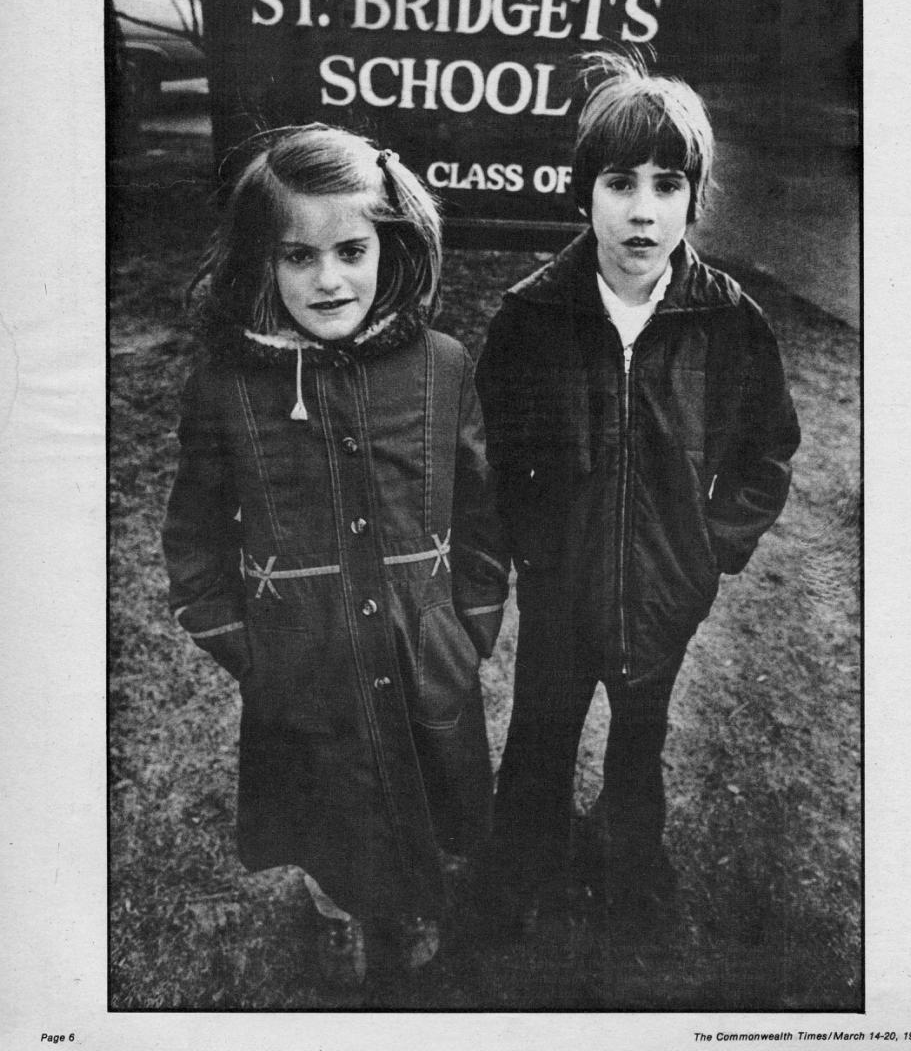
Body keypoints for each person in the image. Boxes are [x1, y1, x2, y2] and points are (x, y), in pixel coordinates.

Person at [161, 124, 508, 989]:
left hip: (418, 645)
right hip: (302, 660)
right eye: (297, 255)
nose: (327, 279)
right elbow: (196, 527)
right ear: (260, 263)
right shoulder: (226, 386)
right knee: (324, 798)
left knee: (424, 782)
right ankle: (335, 908)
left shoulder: (442, 367)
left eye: (351, 249)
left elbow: (481, 509)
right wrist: (239, 643)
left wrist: (469, 624)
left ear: (389, 246)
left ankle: (416, 902)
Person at [475, 53, 801, 934]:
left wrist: (711, 547)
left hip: (664, 591)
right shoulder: (532, 317)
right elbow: (494, 451)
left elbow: (767, 449)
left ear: (696, 196)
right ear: (584, 192)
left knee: (639, 742)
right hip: (558, 593)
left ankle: (633, 873)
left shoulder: (729, 322)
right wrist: (534, 548)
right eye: (620, 182)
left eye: (669, 183)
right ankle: (520, 870)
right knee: (540, 735)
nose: (643, 209)